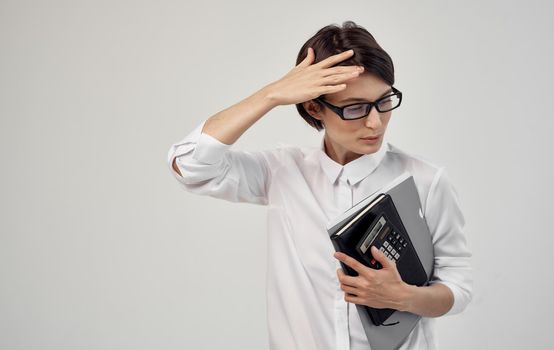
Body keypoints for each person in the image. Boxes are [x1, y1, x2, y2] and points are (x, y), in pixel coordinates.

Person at [167, 20, 472, 350]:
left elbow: (459, 289)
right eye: (354, 108)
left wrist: (405, 297)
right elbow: (189, 164)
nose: (375, 121)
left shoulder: (426, 180)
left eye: (384, 101)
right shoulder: (282, 172)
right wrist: (271, 95)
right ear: (314, 106)